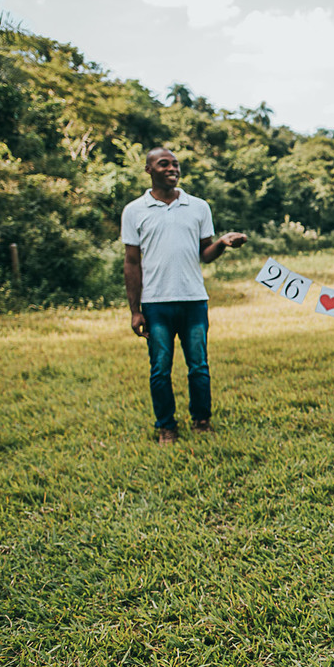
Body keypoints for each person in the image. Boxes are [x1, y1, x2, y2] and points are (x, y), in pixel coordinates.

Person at [122, 147, 247, 444]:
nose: (172, 169)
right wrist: (135, 310)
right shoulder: (134, 210)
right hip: (155, 305)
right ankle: (166, 426)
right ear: (149, 170)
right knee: (160, 368)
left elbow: (205, 254)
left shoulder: (199, 207)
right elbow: (131, 262)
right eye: (163, 164)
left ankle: (201, 421)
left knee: (199, 366)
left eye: (175, 164)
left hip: (193, 301)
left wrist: (223, 243)